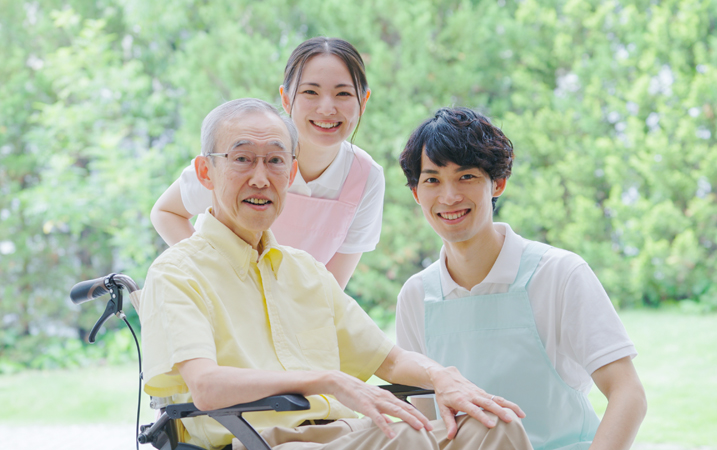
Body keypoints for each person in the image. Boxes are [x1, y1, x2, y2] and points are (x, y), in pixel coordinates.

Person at [139, 98, 534, 450]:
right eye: (242, 159)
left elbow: (390, 362)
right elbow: (206, 388)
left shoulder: (304, 272)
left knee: (494, 427)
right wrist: (324, 380)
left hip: (347, 434)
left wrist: (443, 377)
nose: (260, 177)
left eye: (275, 160)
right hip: (257, 441)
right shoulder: (177, 272)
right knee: (407, 437)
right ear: (205, 172)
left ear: (291, 173)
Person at [395, 107, 647, 450]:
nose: (449, 196)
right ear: (416, 193)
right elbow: (426, 424)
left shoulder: (559, 274)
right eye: (432, 180)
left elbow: (627, 393)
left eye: (466, 176)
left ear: (497, 183)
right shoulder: (415, 295)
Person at [150, 37, 383, 288]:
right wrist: (216, 277)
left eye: (343, 93)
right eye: (310, 92)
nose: (327, 108)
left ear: (363, 101)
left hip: (293, 317)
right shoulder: (244, 156)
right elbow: (166, 212)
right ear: (285, 98)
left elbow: (330, 289)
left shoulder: (365, 177)